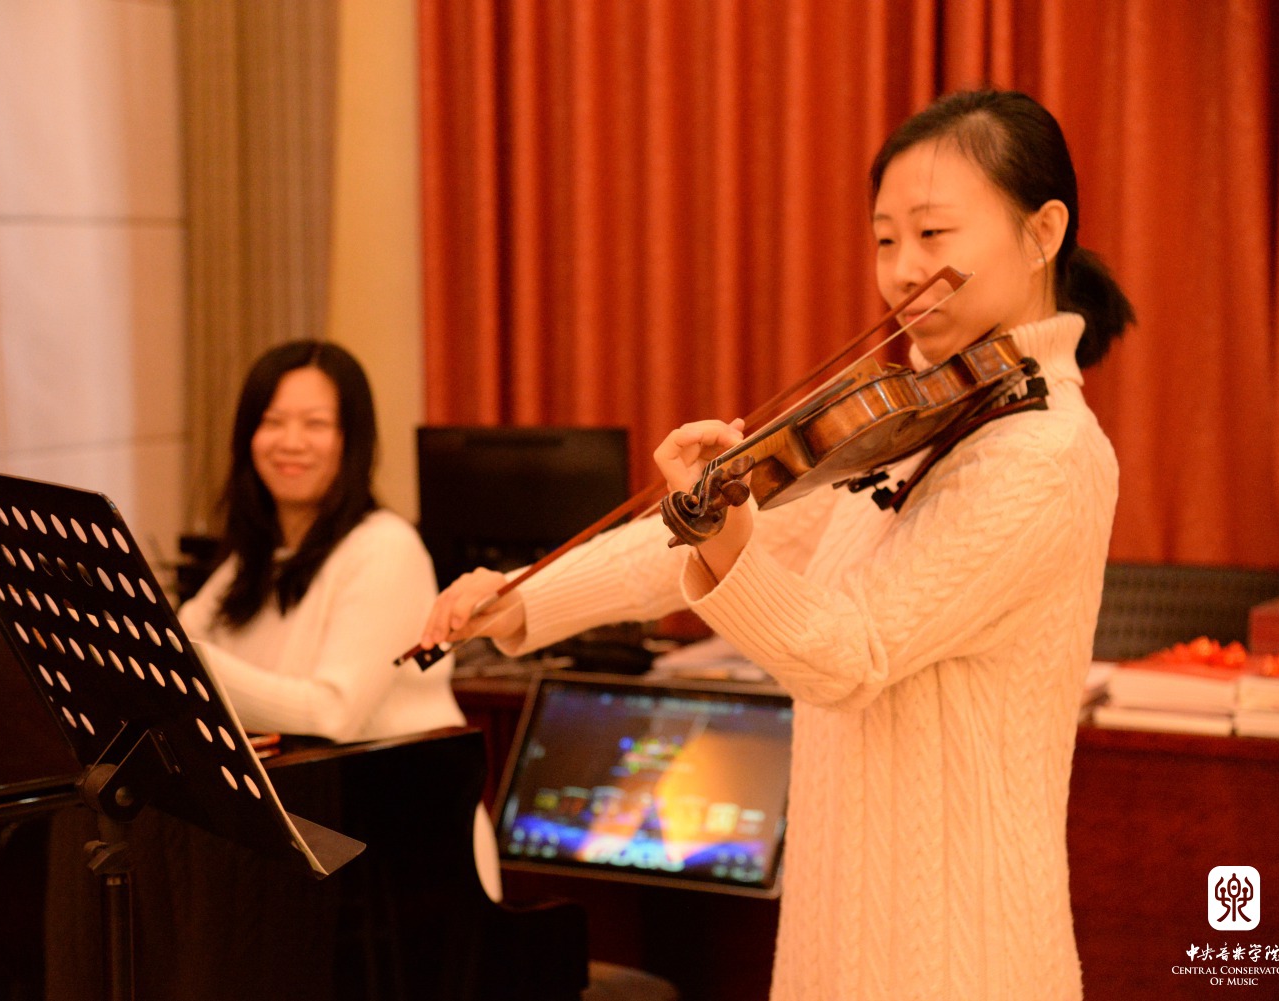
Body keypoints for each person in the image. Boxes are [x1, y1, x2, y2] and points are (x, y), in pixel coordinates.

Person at [421, 89, 1133, 1000]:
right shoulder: (909, 420)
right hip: (836, 939)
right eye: (885, 240)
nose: (902, 271)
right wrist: (525, 596)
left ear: (1043, 232)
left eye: (932, 234)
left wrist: (724, 543)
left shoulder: (1045, 453)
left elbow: (852, 653)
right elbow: (693, 538)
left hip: (966, 958)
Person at [180, 339, 501, 900]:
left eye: (315, 424)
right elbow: (179, 641)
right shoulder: (253, 557)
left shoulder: (384, 548)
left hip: (404, 844)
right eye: (272, 422)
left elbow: (333, 713)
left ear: (352, 440)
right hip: (307, 841)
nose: (291, 442)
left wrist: (190, 665)